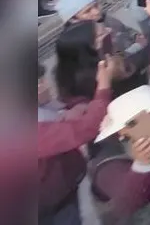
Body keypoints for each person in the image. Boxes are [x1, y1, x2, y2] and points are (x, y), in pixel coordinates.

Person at [38, 60, 111, 225]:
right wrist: (104, 86)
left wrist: (66, 114)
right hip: (53, 203)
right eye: (38, 83)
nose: (46, 85)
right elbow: (88, 127)